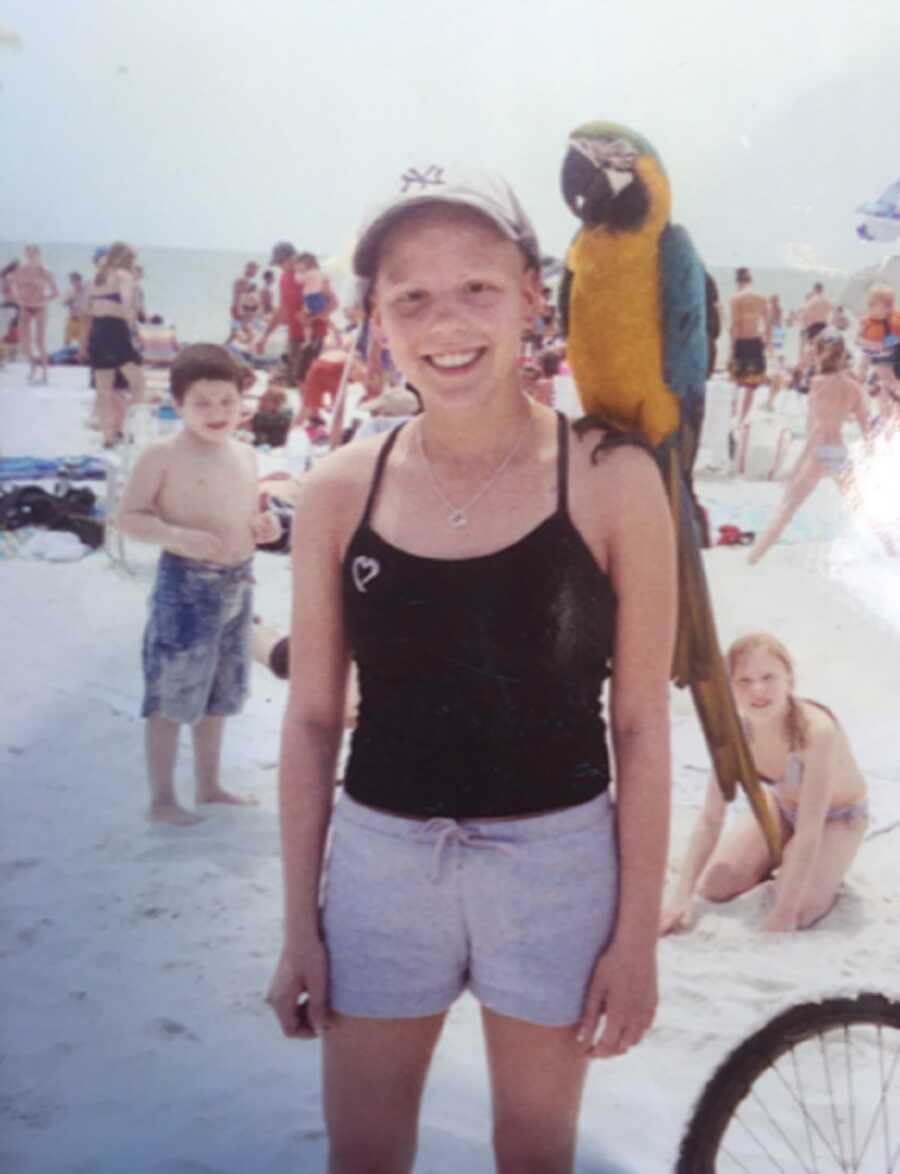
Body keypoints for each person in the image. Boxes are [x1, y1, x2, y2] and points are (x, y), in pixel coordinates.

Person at [265, 170, 676, 1172]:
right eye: (411, 297)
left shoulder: (613, 480)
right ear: (376, 321)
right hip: (379, 866)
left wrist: (635, 938)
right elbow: (314, 719)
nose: (445, 322)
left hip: (557, 862)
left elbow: (642, 726)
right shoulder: (337, 491)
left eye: (478, 289)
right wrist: (298, 929)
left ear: (536, 294)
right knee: (363, 1152)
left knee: (534, 1150)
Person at [116, 343, 282, 826]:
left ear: (241, 402)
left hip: (239, 581)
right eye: (202, 403)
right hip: (185, 586)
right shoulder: (163, 454)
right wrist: (176, 535)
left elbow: (251, 514)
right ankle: (163, 798)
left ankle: (209, 784)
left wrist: (265, 527)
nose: (216, 413)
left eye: (226, 402)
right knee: (172, 691)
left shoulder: (246, 454)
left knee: (221, 691)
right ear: (178, 404)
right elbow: (128, 517)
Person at [660, 632, 868, 934]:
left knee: (801, 910)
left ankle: (816, 872)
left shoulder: (817, 731)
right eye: (744, 680)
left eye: (769, 677)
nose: (758, 689)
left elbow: (809, 830)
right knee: (715, 886)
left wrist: (784, 913)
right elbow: (710, 818)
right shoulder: (734, 733)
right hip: (782, 807)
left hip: (837, 818)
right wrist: (681, 898)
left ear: (789, 680)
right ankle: (781, 860)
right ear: (730, 687)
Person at [747, 331, 871, 564]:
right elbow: (866, 425)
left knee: (787, 508)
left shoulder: (818, 383)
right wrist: (870, 454)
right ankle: (892, 549)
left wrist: (796, 465)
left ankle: (753, 557)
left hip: (818, 451)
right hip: (837, 451)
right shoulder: (853, 386)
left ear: (819, 353)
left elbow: (815, 430)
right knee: (859, 505)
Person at [80, 241, 146, 447]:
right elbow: (126, 304)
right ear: (127, 259)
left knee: (103, 390)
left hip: (97, 333)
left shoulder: (95, 279)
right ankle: (126, 427)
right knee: (139, 383)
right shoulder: (123, 276)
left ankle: (109, 436)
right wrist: (134, 330)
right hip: (115, 330)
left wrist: (83, 343)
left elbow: (84, 310)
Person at [10, 244, 59, 384]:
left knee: (39, 340)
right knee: (24, 342)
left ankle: (44, 372)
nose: (31, 257)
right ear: (25, 255)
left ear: (38, 255)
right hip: (25, 306)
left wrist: (45, 299)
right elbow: (13, 285)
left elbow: (55, 292)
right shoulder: (20, 271)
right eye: (28, 254)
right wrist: (17, 297)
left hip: (40, 308)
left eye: (34, 254)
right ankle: (32, 365)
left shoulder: (45, 272)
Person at [728, 267, 770, 423]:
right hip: (756, 342)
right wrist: (767, 344)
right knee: (751, 386)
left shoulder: (735, 298)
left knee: (736, 383)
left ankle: (732, 418)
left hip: (741, 342)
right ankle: (742, 419)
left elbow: (735, 325)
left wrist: (731, 351)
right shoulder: (762, 298)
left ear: (738, 282)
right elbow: (768, 324)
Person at [63, 272, 89, 348]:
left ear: (80, 280)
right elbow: (63, 302)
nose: (74, 283)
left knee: (83, 341)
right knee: (66, 340)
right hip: (71, 319)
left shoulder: (86, 290)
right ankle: (65, 353)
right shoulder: (69, 291)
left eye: (76, 280)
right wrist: (69, 300)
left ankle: (83, 354)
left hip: (82, 320)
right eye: (72, 281)